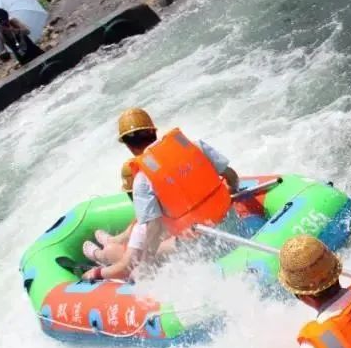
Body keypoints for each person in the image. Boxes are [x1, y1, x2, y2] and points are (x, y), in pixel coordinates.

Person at [81, 108, 240, 282]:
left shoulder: (143, 179)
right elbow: (231, 176)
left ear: (127, 145)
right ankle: (110, 246)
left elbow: (154, 227)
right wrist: (228, 196)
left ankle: (106, 253)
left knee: (145, 257)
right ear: (154, 132)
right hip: (234, 228)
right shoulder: (195, 146)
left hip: (202, 251)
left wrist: (146, 266)